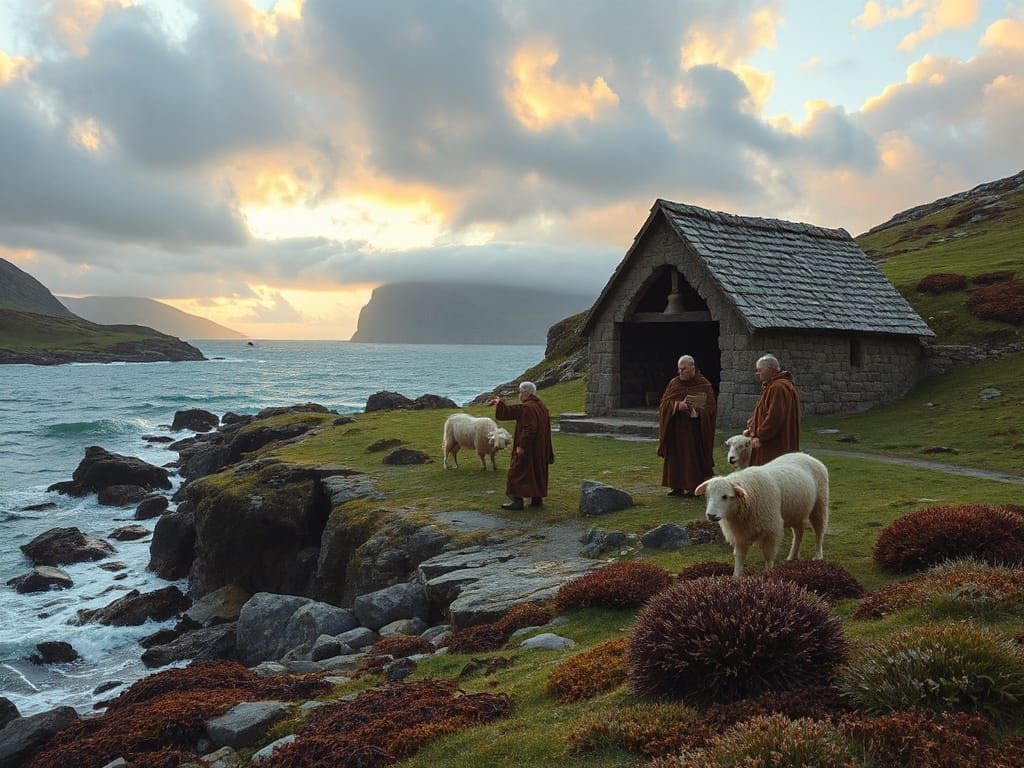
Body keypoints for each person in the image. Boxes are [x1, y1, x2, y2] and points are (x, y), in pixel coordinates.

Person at [488, 381, 554, 510]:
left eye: (520, 392)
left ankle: (517, 501)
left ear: (526, 392)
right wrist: (500, 404)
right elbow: (513, 411)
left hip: (529, 449)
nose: (519, 395)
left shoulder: (528, 408)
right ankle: (536, 499)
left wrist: (522, 446)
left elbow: (530, 429)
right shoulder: (540, 406)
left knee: (516, 472)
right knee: (536, 472)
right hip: (539, 449)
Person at [657, 355, 718, 496]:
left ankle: (693, 487)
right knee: (675, 457)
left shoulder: (704, 384)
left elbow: (711, 408)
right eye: (679, 369)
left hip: (695, 430)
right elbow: (664, 404)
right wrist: (677, 405)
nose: (680, 372)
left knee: (692, 457)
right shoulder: (674, 383)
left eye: (683, 369)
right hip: (676, 429)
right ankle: (676, 486)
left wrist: (696, 411)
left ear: (692, 367)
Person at [743, 354, 801, 466]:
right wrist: (753, 425)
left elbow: (775, 416)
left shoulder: (778, 387)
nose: (758, 374)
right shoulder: (775, 385)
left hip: (774, 444)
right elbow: (766, 411)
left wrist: (760, 436)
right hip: (773, 441)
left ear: (771, 369)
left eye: (760, 370)